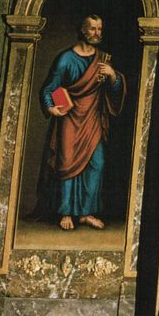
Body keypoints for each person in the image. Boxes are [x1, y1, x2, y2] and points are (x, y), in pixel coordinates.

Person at [40, 14, 126, 230]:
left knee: (97, 165)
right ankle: (65, 212)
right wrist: (51, 107)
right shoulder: (66, 59)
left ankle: (86, 212)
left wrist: (113, 75)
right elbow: (49, 88)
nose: (97, 33)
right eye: (93, 29)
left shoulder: (103, 60)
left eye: (100, 29)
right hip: (70, 118)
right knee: (67, 165)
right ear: (82, 30)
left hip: (93, 119)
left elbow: (115, 91)